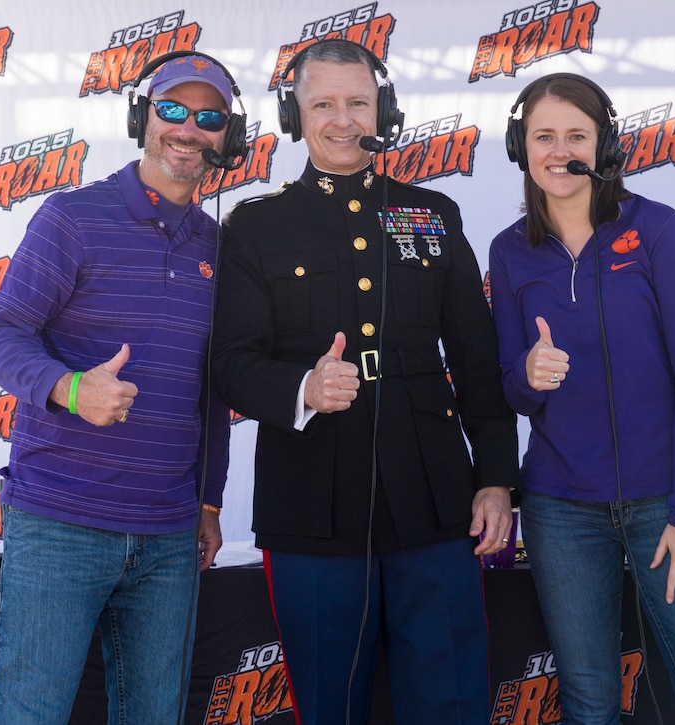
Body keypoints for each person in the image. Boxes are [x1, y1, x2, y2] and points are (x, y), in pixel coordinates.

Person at [211, 39, 519, 725]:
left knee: (451, 699)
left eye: (358, 102)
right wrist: (303, 389)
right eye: (323, 104)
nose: (343, 119)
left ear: (385, 109)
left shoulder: (431, 214)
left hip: (437, 503)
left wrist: (497, 476)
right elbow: (230, 363)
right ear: (296, 116)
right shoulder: (255, 227)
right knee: (330, 703)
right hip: (311, 509)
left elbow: (475, 357)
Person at [0, 52, 239, 724]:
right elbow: (0, 337)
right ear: (142, 118)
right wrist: (68, 389)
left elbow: (212, 392)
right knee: (28, 713)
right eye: (172, 109)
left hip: (170, 537)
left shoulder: (222, 250)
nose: (188, 128)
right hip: (59, 523)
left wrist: (208, 503)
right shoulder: (71, 219)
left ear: (226, 136)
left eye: (207, 117)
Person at [488, 72, 675, 724]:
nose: (558, 149)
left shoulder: (657, 228)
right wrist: (529, 371)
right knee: (590, 701)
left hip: (669, 502)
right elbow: (511, 391)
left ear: (605, 146)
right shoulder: (508, 250)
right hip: (561, 511)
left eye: (576, 134)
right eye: (542, 135)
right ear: (521, 147)